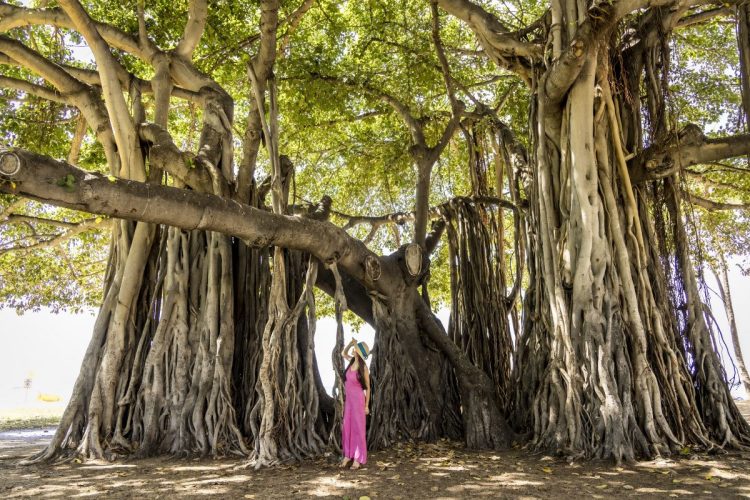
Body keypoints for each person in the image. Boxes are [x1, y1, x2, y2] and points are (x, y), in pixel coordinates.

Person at [340, 337, 370, 469]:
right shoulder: (350, 362)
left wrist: (367, 405)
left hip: (358, 401)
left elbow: (368, 388)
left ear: (358, 352)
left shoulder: (364, 368)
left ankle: (358, 458)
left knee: (358, 429)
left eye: (355, 348)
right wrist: (350, 344)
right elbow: (343, 353)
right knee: (347, 427)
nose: (353, 349)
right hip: (349, 401)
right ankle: (348, 455)